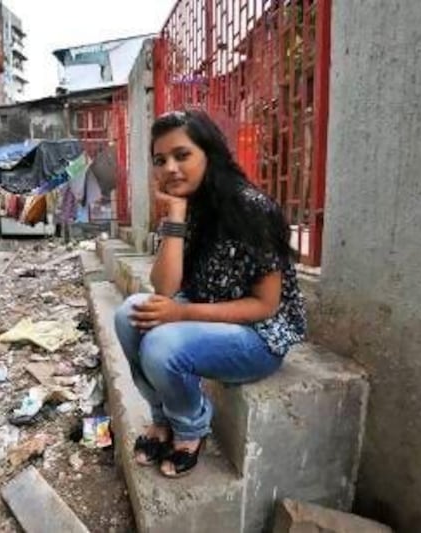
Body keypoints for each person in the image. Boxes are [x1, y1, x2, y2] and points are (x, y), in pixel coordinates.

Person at [114, 110, 306, 478]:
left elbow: (266, 307)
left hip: (259, 338)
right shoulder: (188, 205)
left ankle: (189, 428)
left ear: (209, 154)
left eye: (182, 155)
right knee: (128, 314)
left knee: (161, 345)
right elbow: (165, 288)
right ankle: (162, 417)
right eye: (160, 160)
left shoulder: (252, 208)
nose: (170, 168)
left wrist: (182, 314)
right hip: (207, 311)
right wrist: (176, 214)